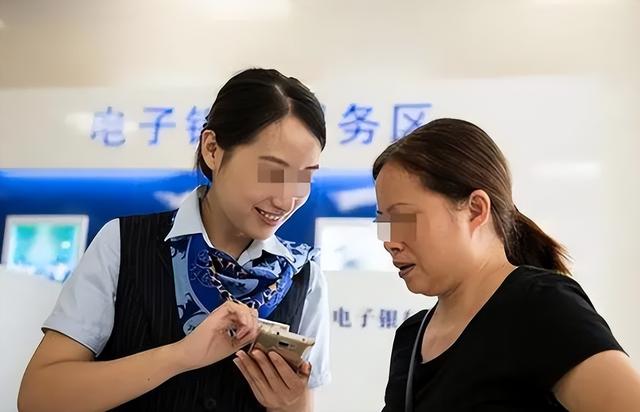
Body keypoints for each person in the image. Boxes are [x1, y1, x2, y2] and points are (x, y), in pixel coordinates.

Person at [18, 68, 331, 412]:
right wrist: (180, 356)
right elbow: (38, 397)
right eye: (272, 172)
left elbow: (301, 405)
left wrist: (285, 405)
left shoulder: (304, 277)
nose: (286, 200)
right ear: (212, 149)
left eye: (304, 177)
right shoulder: (123, 244)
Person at [373, 118, 640, 411]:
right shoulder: (411, 337)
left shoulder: (540, 308)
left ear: (475, 210)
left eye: (403, 218)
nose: (389, 241)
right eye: (383, 222)